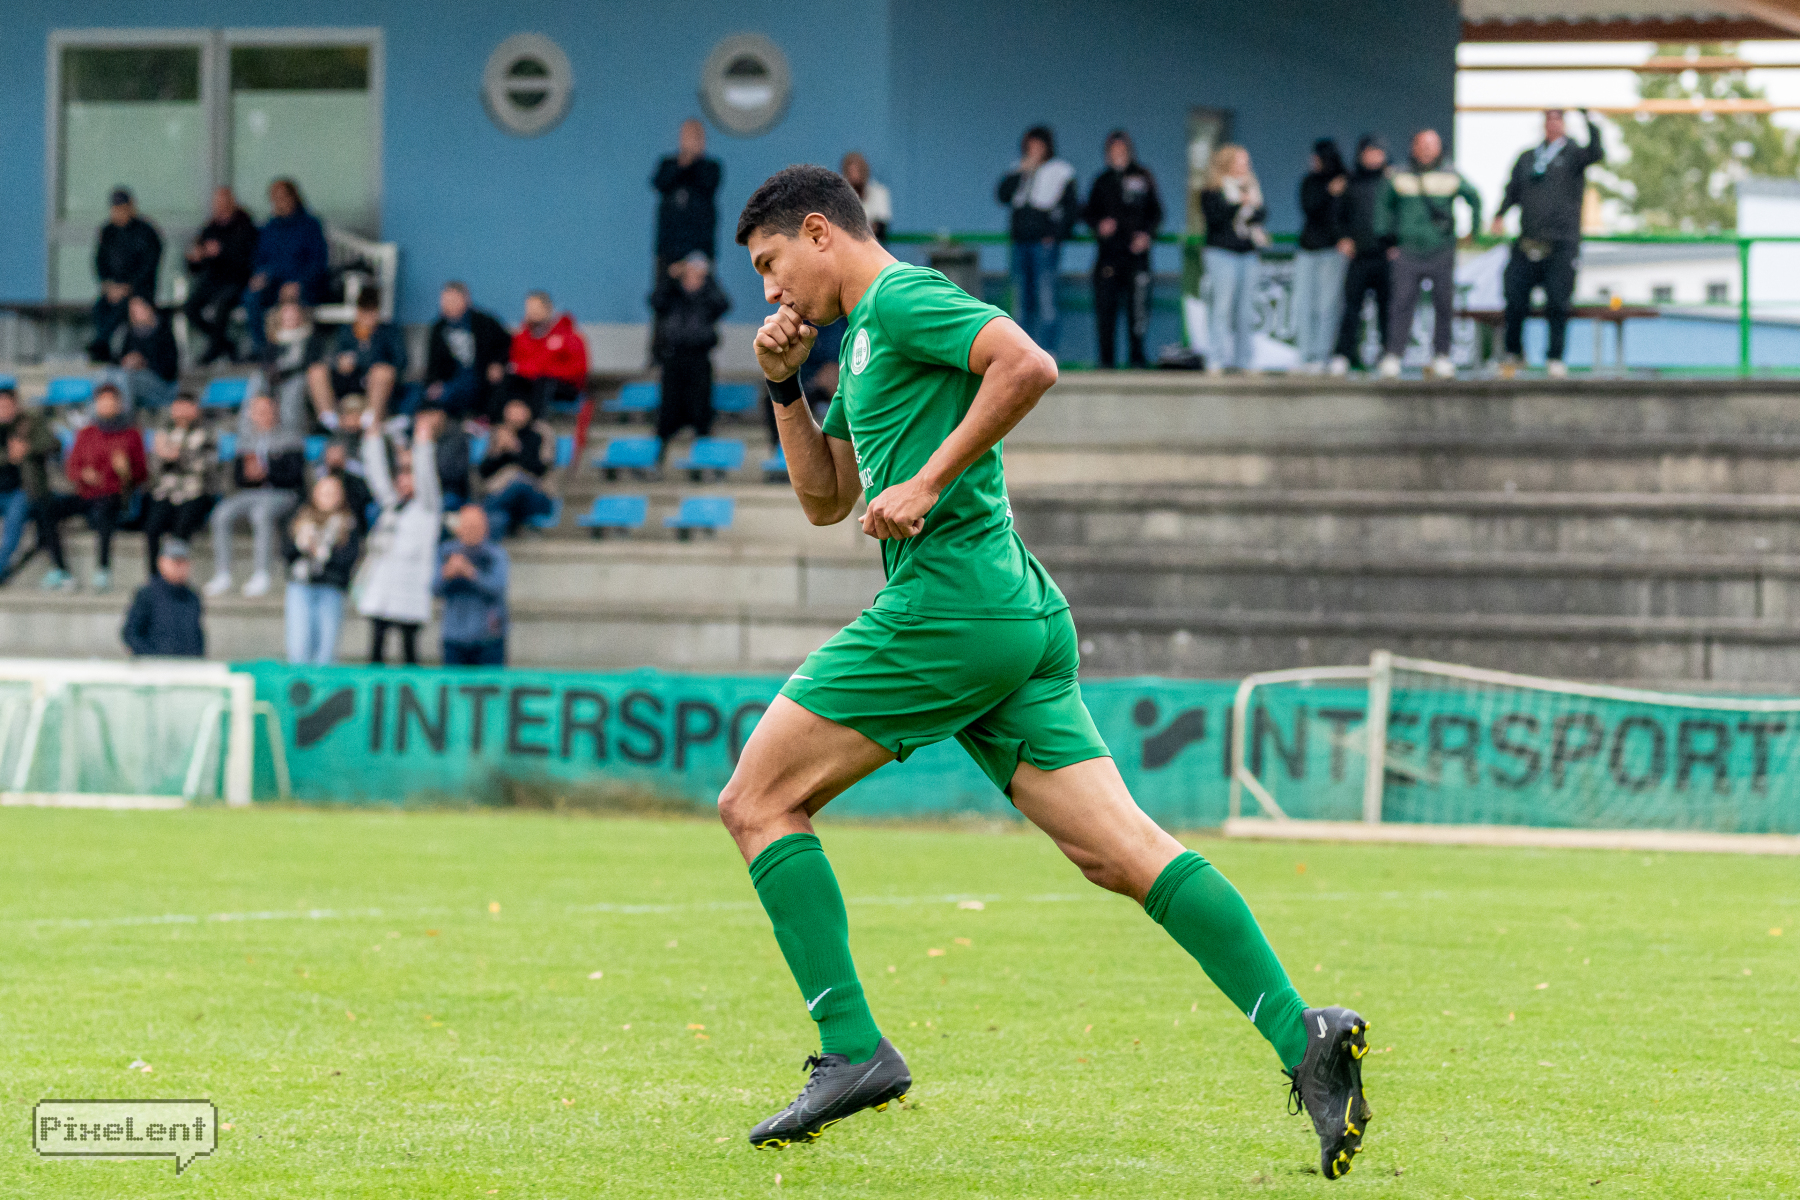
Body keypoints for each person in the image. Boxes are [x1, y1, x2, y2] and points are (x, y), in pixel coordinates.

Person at [727, 165, 1372, 1173]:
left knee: (756, 802)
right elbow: (825, 500)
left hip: (951, 607)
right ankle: (1306, 1036)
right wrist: (782, 388)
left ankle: (852, 1047)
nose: (771, 289)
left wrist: (928, 482)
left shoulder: (901, 298)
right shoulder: (856, 340)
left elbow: (1028, 364)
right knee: (1122, 853)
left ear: (820, 232)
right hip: (1011, 612)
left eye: (772, 264)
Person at [1492, 109, 1605, 379]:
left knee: (1558, 302)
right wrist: (1500, 213)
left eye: (1558, 120)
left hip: (1561, 244)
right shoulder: (1528, 157)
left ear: (1564, 125)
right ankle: (1513, 352)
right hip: (1528, 241)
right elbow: (1513, 189)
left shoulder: (1574, 155)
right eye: (1549, 120)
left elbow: (1597, 153)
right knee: (1514, 296)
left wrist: (1589, 120)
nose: (1553, 125)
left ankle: (1555, 357)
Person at [1375, 128, 1481, 380]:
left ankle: (1442, 356)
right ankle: (1394, 356)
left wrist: (1473, 231)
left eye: (1432, 145)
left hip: (1441, 250)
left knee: (1444, 304)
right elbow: (1383, 208)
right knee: (1401, 304)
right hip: (1408, 251)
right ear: (1413, 147)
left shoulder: (1451, 175)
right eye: (1422, 144)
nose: (1426, 150)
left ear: (1440, 148)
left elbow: (1475, 198)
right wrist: (1388, 241)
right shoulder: (1398, 175)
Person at [40, 383, 148, 593]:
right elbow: (72, 467)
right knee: (46, 508)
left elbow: (142, 474)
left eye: (111, 401)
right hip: (86, 493)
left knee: (105, 510)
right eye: (102, 401)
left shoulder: (131, 434)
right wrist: (83, 474)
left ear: (119, 405)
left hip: (114, 494)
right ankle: (60, 569)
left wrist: (125, 471)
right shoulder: (86, 433)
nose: (106, 405)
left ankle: (103, 569)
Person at [358, 411, 443, 666]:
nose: (405, 480)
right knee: (376, 649)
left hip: (410, 590)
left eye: (410, 474)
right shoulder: (391, 506)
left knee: (409, 652)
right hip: (384, 588)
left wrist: (423, 444)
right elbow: (376, 476)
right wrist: (373, 440)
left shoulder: (428, 508)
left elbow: (427, 476)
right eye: (401, 475)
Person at [204, 392, 305, 599]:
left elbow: (296, 476)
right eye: (257, 411)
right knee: (221, 514)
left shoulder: (290, 437)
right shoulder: (245, 439)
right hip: (251, 493)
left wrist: (268, 472)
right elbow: (237, 479)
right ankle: (223, 573)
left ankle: (262, 573)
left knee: (261, 514)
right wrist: (249, 475)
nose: (261, 415)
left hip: (282, 493)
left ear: (275, 411)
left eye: (266, 410)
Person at [1083, 130, 1164, 369]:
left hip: (1137, 257)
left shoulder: (1144, 177)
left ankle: (1137, 359)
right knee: (1105, 310)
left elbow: (1157, 213)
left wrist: (1147, 235)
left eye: (1122, 151)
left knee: (1138, 310)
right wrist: (1099, 225)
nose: (1118, 155)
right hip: (1108, 257)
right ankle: (1106, 362)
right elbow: (1087, 211)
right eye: (1113, 151)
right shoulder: (1101, 181)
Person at [996, 126, 1078, 353]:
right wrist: (1019, 172)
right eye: (1030, 146)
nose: (1034, 151)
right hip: (1020, 242)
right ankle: (1020, 352)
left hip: (1044, 245)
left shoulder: (1062, 171)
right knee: (1021, 301)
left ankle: (1048, 351)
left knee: (1046, 299)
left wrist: (1055, 235)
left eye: (1038, 146)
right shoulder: (1018, 169)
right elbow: (1002, 195)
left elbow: (1071, 209)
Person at [1328, 136, 1396, 376]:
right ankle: (1344, 355)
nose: (1373, 157)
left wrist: (1396, 243)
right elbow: (1336, 215)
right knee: (1351, 308)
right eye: (1369, 152)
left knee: (1387, 308)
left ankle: (1389, 355)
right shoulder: (1349, 182)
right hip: (1358, 256)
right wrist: (1342, 238)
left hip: (1384, 256)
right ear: (1361, 155)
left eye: (1378, 152)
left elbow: (1400, 214)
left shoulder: (1392, 182)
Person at [650, 251, 732, 450]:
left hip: (699, 356)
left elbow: (723, 305)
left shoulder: (708, 295)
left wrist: (708, 280)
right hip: (673, 356)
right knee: (669, 404)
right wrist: (669, 278)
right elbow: (655, 301)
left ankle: (702, 447)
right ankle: (661, 448)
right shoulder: (673, 294)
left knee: (700, 405)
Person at [1199, 145, 1270, 373]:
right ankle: (1216, 358)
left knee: (1245, 310)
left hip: (1247, 253)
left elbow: (1261, 214)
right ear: (1228, 163)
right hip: (1221, 253)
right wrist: (1239, 202)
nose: (1245, 166)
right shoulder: (1213, 190)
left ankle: (1244, 360)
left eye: (1247, 162)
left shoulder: (1251, 187)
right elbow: (1216, 217)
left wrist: (1249, 202)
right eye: (1241, 161)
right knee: (1221, 307)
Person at [282, 474, 362, 665]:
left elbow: (348, 559)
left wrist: (322, 552)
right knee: (298, 647)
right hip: (301, 585)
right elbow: (286, 552)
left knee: (326, 652)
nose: (328, 497)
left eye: (333, 493)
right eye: (324, 492)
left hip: (331, 588)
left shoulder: (348, 523)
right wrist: (303, 546)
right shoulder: (300, 519)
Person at [243, 179, 330, 355]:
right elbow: (260, 259)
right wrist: (261, 275)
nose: (278, 202)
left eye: (282, 197)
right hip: (274, 282)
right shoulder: (270, 228)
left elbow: (318, 262)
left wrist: (298, 283)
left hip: (305, 283)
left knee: (297, 301)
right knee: (252, 297)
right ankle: (263, 349)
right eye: (274, 198)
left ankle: (302, 352)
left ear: (293, 197)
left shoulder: (310, 225)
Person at [307, 288, 405, 428]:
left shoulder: (389, 332)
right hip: (347, 382)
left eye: (372, 311)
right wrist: (339, 363)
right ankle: (329, 422)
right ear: (358, 311)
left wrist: (366, 361)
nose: (368, 317)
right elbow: (331, 357)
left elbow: (400, 362)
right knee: (316, 370)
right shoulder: (345, 331)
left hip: (375, 385)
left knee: (381, 372)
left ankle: (370, 423)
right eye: (364, 311)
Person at [183, 186, 259, 365]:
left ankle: (214, 349)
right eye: (217, 203)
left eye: (223, 202)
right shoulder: (210, 228)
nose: (219, 206)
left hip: (236, 280)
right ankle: (224, 344)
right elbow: (195, 265)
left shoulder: (245, 226)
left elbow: (247, 259)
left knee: (222, 305)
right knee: (190, 308)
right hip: (212, 281)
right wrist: (195, 258)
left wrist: (222, 251)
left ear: (232, 202)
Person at [87, 187, 164, 363]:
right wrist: (108, 285)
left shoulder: (146, 232)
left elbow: (149, 267)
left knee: (122, 308)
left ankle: (101, 344)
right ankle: (102, 347)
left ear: (131, 207)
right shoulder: (108, 232)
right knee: (100, 308)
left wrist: (128, 287)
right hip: (114, 289)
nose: (119, 213)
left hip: (139, 290)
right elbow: (99, 262)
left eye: (122, 208)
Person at [143, 392, 218, 569]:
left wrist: (178, 455)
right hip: (166, 492)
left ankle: (176, 574)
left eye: (186, 406)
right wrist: (161, 455)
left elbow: (208, 466)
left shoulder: (207, 433)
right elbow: (153, 468)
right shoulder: (164, 432)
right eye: (178, 407)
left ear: (196, 409)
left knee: (181, 528)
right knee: (152, 528)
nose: (181, 411)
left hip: (196, 492)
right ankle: (155, 576)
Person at [1294, 139, 1350, 371]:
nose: (1313, 161)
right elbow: (1310, 207)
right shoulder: (1310, 182)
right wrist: (1328, 191)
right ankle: (1305, 355)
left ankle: (1322, 354)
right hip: (1308, 250)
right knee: (1304, 303)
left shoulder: (1345, 180)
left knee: (1327, 305)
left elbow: (1346, 215)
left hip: (1332, 251)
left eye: (1317, 157)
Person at [434, 505, 509, 666]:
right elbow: (434, 588)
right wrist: (447, 574)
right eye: (467, 526)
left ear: (485, 528)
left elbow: (497, 587)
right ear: (458, 528)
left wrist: (470, 572)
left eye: (475, 526)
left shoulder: (496, 554)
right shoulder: (446, 552)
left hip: (488, 637)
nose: (471, 531)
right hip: (454, 636)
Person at [424, 282, 510, 419]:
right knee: (420, 394)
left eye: (452, 300)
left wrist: (498, 363)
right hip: (450, 380)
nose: (446, 305)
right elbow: (432, 362)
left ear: (465, 300)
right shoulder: (438, 328)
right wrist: (434, 382)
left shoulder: (485, 323)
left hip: (479, 378)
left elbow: (505, 345)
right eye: (444, 300)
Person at [0, 386, 58, 585]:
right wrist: (9, 456)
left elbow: (53, 444)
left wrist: (28, 449)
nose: (4, 410)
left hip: (23, 490)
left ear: (16, 405)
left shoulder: (31, 422)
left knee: (13, 526)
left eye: (7, 406)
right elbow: (9, 455)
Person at [501, 291, 588, 420]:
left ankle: (537, 424)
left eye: (536, 308)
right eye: (529, 308)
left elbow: (578, 369)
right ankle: (500, 422)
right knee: (509, 380)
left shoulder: (569, 337)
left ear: (548, 309)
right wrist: (533, 371)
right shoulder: (521, 338)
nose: (532, 312)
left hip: (562, 387)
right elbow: (516, 365)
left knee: (544, 382)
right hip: (531, 383)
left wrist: (543, 371)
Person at [653, 118, 723, 272]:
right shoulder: (668, 164)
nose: (692, 141)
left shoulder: (711, 167)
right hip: (669, 248)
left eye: (696, 136)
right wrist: (684, 161)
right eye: (688, 136)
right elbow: (659, 183)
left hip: (700, 248)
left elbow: (708, 184)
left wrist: (692, 160)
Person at [477, 398, 554, 537]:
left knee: (517, 483)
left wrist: (516, 449)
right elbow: (484, 473)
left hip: (535, 494)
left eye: (519, 410)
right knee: (497, 518)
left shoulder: (538, 435)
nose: (515, 415)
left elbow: (540, 470)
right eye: (511, 411)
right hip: (503, 497)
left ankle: (478, 516)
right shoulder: (499, 435)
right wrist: (497, 452)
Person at [121, 538, 204, 658]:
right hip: (154, 665)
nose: (180, 567)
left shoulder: (192, 597)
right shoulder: (147, 594)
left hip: (187, 665)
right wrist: (151, 657)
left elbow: (196, 635)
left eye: (184, 562)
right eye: (175, 562)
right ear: (162, 563)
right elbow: (131, 633)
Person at [101, 294, 180, 410]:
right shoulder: (129, 333)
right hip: (135, 381)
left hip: (162, 386)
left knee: (125, 378)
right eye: (132, 310)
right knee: (106, 374)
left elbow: (169, 370)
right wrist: (126, 361)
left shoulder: (164, 333)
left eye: (138, 309)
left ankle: (124, 416)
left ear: (149, 308)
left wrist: (143, 363)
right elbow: (118, 359)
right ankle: (100, 414)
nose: (135, 314)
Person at [313, 435, 373, 537]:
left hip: (351, 519)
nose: (335, 459)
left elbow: (362, 502)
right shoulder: (318, 478)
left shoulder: (355, 479)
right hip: (321, 519)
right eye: (332, 454)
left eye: (338, 454)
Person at [840, 152, 892, 241]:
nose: (855, 175)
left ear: (865, 171)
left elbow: (880, 228)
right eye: (851, 171)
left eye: (858, 170)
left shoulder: (879, 193)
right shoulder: (838, 195)